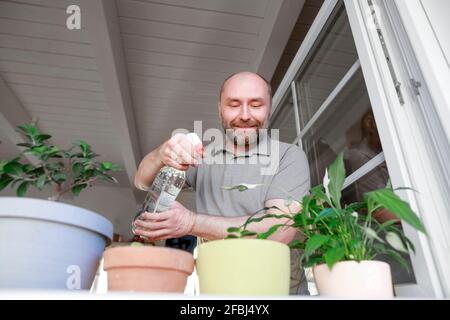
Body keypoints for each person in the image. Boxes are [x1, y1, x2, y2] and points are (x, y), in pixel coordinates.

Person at [133, 71, 311, 294]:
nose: (245, 115)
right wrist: (161, 154)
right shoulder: (202, 157)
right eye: (234, 104)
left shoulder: (289, 156)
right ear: (220, 108)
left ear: (270, 108)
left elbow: (279, 230)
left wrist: (190, 223)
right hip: (218, 291)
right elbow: (142, 180)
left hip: (279, 294)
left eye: (256, 104)